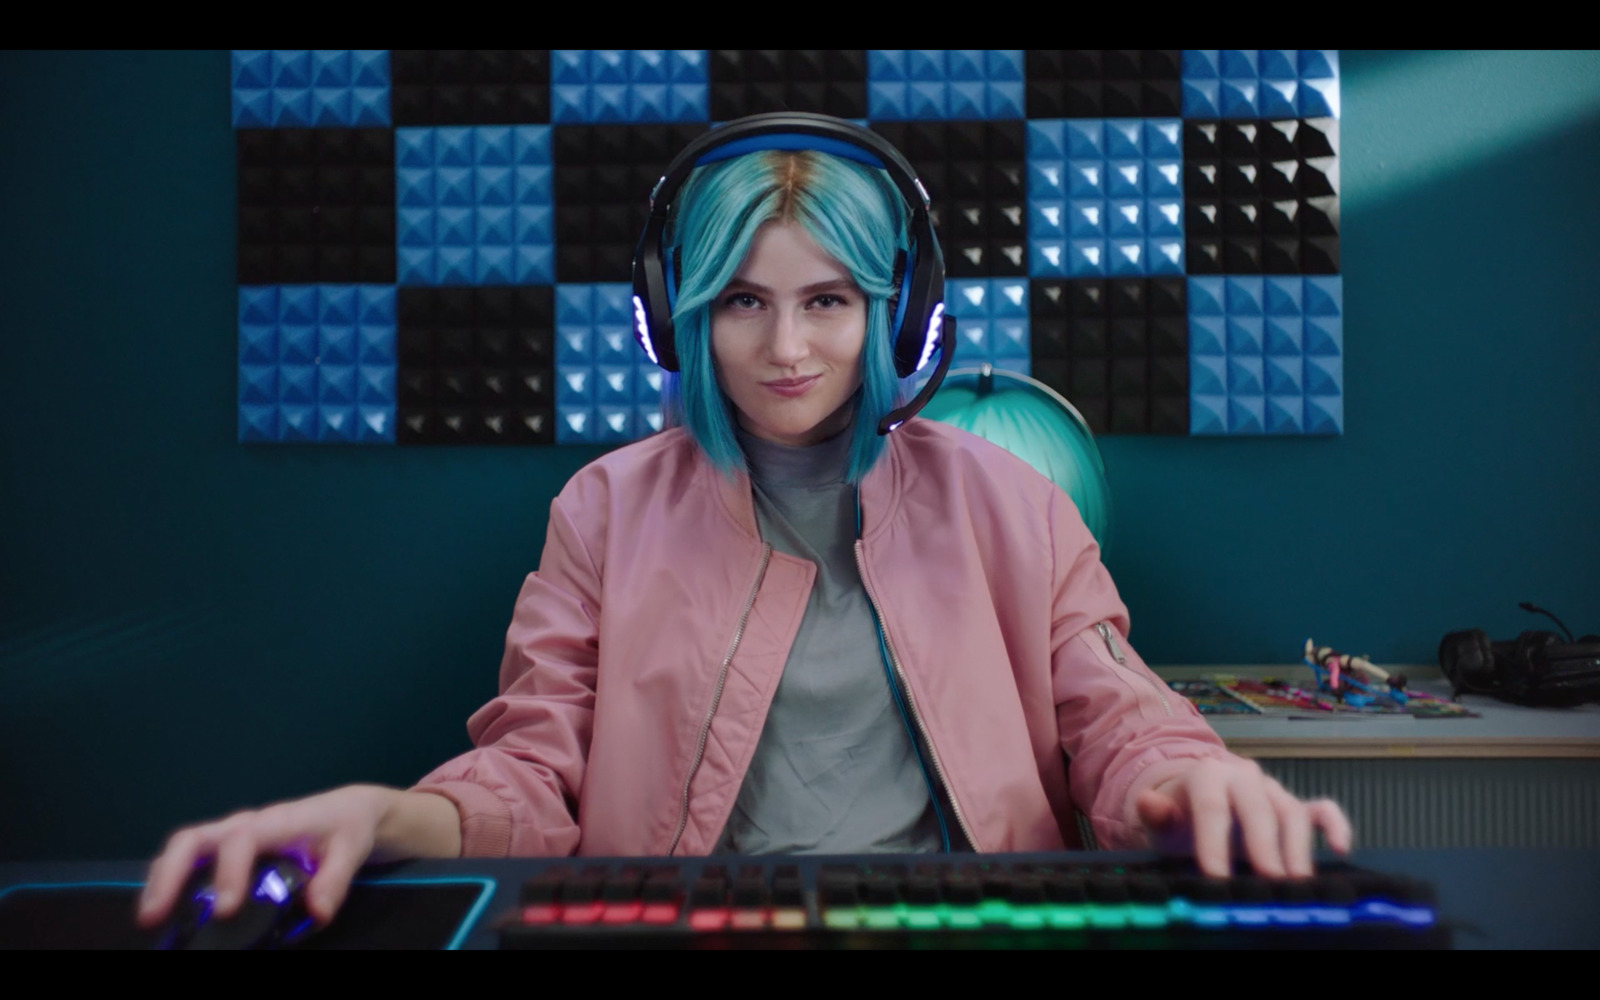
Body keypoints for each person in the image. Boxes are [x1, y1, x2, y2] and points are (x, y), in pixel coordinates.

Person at [139, 117, 1352, 931]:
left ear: (897, 314)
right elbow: (532, 766)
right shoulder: (603, 509)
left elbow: (1122, 720)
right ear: (677, 320)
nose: (784, 349)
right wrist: (384, 815)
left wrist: (1190, 785)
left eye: (826, 301)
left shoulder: (1010, 502)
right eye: (740, 302)